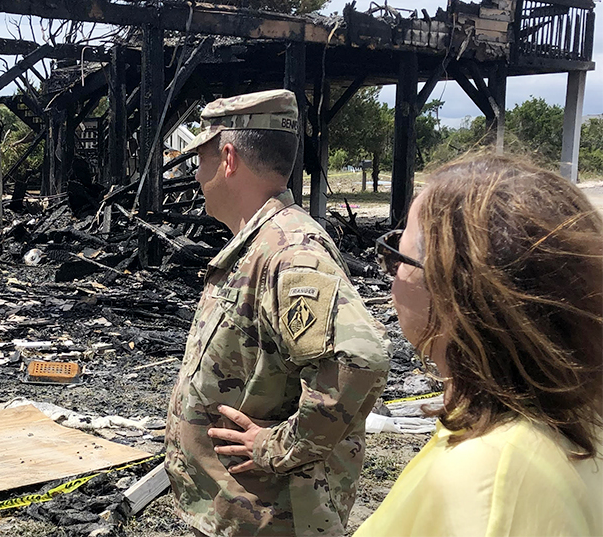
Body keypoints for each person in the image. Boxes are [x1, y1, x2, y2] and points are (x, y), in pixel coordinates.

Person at [165, 89, 390, 536]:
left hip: (272, 518)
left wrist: (278, 447)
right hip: (238, 513)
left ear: (228, 158)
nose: (196, 175)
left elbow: (361, 359)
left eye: (201, 161)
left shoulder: (292, 253)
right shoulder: (261, 244)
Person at [357, 154, 603, 536]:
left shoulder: (492, 482)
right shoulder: (570, 415)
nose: (390, 278)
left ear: (452, 290)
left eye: (396, 257)